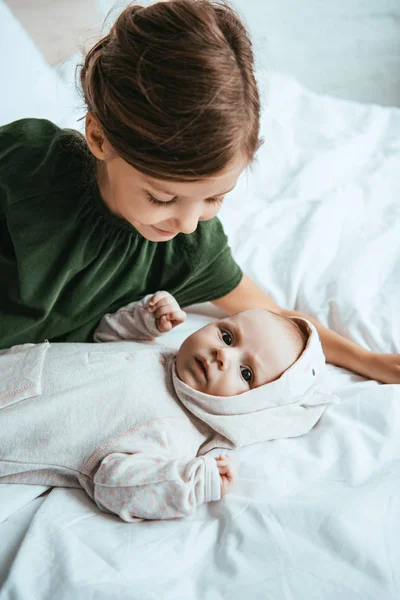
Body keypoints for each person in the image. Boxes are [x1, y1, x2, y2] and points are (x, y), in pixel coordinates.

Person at [0, 0, 398, 384]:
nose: (187, 223)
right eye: (161, 198)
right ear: (99, 137)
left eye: (214, 198)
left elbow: (275, 315)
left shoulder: (189, 250)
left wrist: (370, 361)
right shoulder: (27, 161)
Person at [0, 291, 337, 522]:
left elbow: (114, 484)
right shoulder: (164, 355)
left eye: (246, 373)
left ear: (251, 407)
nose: (223, 355)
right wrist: (143, 321)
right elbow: (102, 339)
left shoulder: (175, 434)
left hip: (17, 425)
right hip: (16, 365)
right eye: (227, 336)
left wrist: (189, 485)